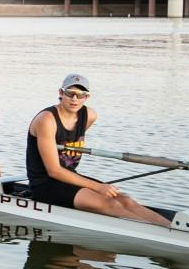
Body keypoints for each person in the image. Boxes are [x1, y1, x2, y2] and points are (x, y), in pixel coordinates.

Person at [17, 72, 171, 225]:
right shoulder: (46, 120)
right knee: (111, 205)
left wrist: (98, 188)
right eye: (70, 93)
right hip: (45, 184)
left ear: (87, 97)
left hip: (69, 178)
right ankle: (163, 237)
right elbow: (54, 171)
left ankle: (174, 230)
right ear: (61, 93)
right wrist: (98, 187)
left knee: (125, 200)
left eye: (81, 95)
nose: (75, 99)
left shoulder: (89, 115)